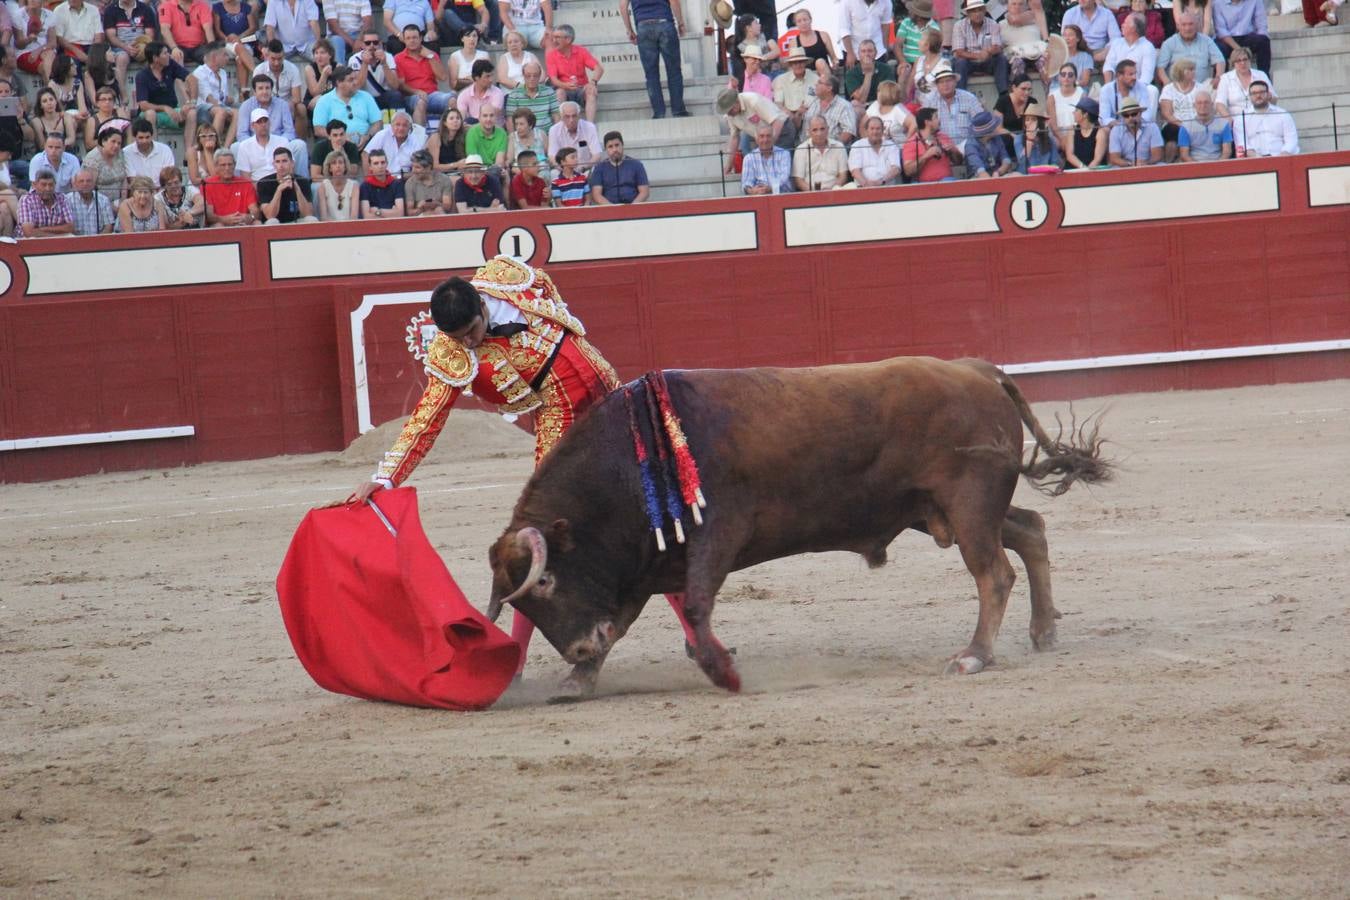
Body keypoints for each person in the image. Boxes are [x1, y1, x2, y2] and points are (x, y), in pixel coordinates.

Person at [344, 258, 702, 685]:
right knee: (541, 536)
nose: (469, 344)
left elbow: (552, 297)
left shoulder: (508, 276)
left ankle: (697, 636)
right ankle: (514, 659)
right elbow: (426, 420)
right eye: (457, 339)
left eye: (472, 333)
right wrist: (385, 477)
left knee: (650, 512)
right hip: (561, 420)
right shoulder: (451, 354)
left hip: (606, 386)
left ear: (481, 305)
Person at [620, 0, 687, 119]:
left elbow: (623, 5)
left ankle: (659, 113)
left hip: (643, 26)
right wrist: (680, 22)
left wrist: (629, 30)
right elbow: (674, 1)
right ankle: (678, 111)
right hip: (664, 23)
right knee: (674, 72)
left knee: (651, 74)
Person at [396, 24, 452, 126]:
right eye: (408, 38)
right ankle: (420, 138)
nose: (412, 41)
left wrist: (430, 57)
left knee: (451, 99)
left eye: (414, 37)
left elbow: (443, 77)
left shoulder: (431, 54)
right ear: (404, 40)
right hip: (412, 96)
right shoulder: (398, 58)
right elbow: (400, 85)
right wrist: (416, 91)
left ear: (420, 38)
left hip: (433, 95)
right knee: (421, 102)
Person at [312, 65, 382, 145]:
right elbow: (318, 129)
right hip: (336, 144)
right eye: (351, 80)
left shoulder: (366, 97)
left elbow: (377, 123)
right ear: (339, 83)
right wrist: (341, 137)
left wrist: (367, 136)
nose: (355, 82)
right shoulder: (324, 101)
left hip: (367, 143)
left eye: (355, 78)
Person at [545, 24, 602, 124]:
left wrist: (592, 83)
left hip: (580, 89)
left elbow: (598, 69)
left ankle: (590, 126)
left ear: (568, 39)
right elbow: (553, 80)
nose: (554, 41)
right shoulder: (552, 55)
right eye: (553, 37)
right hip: (564, 89)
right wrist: (565, 85)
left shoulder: (581, 51)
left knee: (591, 91)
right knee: (559, 93)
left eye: (557, 37)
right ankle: (560, 126)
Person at [135, 41, 192, 140]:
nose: (169, 55)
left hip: (173, 110)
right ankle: (153, 150)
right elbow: (143, 105)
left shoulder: (171, 65)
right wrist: (165, 108)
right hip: (153, 113)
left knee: (192, 112)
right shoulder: (142, 76)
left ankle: (189, 151)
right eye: (165, 53)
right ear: (155, 58)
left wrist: (191, 102)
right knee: (150, 113)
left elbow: (192, 79)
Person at [1156, 11, 1224, 89]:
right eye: (1184, 24)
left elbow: (1220, 60)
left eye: (1191, 24)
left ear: (1197, 25)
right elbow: (1160, 68)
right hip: (1177, 86)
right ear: (1178, 26)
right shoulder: (1169, 43)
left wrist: (1218, 77)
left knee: (1217, 88)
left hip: (1202, 86)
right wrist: (1166, 82)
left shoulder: (1206, 41)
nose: (1187, 28)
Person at [253, 38, 307, 135]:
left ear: (284, 56)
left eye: (280, 59)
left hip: (288, 104)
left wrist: (285, 106)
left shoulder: (293, 69)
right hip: (266, 103)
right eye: (273, 59)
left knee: (301, 108)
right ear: (267, 56)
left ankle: (299, 142)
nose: (276, 63)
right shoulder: (259, 70)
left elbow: (297, 98)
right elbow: (257, 95)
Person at [1231, 79, 1297, 157]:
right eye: (1254, 93)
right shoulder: (1241, 118)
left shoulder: (1283, 114)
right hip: (1254, 161)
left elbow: (1291, 140)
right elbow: (1242, 144)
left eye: (1261, 92)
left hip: (1281, 158)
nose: (1258, 96)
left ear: (1268, 94)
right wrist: (1258, 159)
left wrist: (1281, 157)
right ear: (1249, 97)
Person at [953, 0, 1008, 93]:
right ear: (968, 13)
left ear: (984, 10)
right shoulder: (959, 25)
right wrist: (978, 56)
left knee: (1001, 58)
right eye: (974, 11)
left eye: (980, 10)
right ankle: (960, 94)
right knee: (960, 62)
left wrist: (988, 51)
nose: (977, 14)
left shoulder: (992, 23)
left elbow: (997, 46)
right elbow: (959, 51)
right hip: (968, 62)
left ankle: (1004, 94)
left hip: (988, 60)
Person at [102, 0, 157, 89]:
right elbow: (111, 36)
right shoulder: (110, 10)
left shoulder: (145, 9)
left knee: (153, 57)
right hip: (120, 47)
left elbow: (149, 34)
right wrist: (126, 47)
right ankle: (122, 96)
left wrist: (140, 47)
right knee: (122, 58)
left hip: (141, 45)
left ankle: (153, 94)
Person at [236, 107, 301, 181]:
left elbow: (290, 168)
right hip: (257, 185)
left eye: (265, 121)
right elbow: (245, 176)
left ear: (269, 123)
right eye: (259, 122)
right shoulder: (244, 146)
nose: (263, 125)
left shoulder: (283, 141)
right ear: (252, 126)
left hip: (281, 182)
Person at [256, 145, 316, 223]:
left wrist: (297, 188)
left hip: (296, 221)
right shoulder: (264, 183)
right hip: (275, 224)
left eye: (284, 161)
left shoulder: (303, 181)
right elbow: (270, 215)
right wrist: (279, 190)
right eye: (277, 162)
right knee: (272, 221)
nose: (281, 166)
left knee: (311, 219)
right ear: (274, 165)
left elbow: (308, 213)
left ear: (292, 163)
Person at [189, 42, 234, 145]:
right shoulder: (200, 72)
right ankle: (213, 145)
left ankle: (225, 147)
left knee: (238, 113)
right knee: (221, 112)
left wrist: (228, 100)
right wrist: (226, 109)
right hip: (202, 108)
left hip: (217, 106)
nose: (227, 58)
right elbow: (209, 99)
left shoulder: (222, 73)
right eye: (225, 55)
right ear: (214, 57)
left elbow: (222, 97)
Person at [930, 61, 983, 148]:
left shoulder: (969, 98)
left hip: (969, 146)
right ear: (937, 85)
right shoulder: (930, 102)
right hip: (943, 148)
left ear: (955, 82)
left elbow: (981, 122)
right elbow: (927, 129)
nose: (945, 84)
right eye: (941, 82)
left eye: (948, 80)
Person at [1001, 0, 1053, 86]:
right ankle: (1017, 92)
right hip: (1015, 55)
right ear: (1007, 6)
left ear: (1026, 6)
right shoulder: (1001, 25)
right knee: (1017, 62)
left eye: (1021, 4)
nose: (1017, 7)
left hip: (1036, 53)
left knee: (1045, 62)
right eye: (1014, 4)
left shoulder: (1035, 22)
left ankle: (1050, 95)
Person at [587, 131, 648, 205]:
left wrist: (631, 209)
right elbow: (596, 195)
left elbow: (644, 192)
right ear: (606, 149)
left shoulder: (636, 165)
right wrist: (613, 209)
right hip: (608, 210)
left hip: (633, 208)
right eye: (610, 146)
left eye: (617, 145)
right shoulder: (599, 168)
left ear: (622, 145)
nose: (614, 149)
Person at [1212, 45, 1273, 119]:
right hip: (1236, 120)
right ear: (1233, 63)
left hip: (1260, 117)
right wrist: (1230, 121)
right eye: (1238, 61)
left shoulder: (1261, 75)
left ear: (1249, 60)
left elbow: (1274, 99)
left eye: (1245, 59)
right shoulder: (1226, 78)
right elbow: (1220, 103)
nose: (1242, 63)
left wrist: (1269, 98)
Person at [202, 147, 260, 224]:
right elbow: (209, 215)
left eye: (230, 164)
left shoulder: (245, 183)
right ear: (216, 166)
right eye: (223, 165)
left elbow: (255, 210)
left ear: (234, 165)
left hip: (242, 223)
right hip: (221, 224)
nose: (227, 168)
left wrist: (249, 217)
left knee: (257, 223)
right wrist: (225, 220)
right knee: (218, 225)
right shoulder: (208, 184)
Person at [790, 115, 849, 191]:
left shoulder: (839, 147)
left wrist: (832, 190)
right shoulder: (801, 150)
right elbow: (798, 180)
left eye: (822, 129)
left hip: (835, 192)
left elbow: (843, 176)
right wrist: (815, 193)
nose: (819, 133)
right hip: (810, 194)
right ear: (808, 132)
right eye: (815, 130)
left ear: (828, 129)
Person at [1158, 58, 1201, 162]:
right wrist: (1183, 125)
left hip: (1196, 123)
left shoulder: (1200, 87)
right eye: (1189, 70)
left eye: (1193, 69)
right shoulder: (1168, 89)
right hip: (1175, 124)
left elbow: (1204, 108)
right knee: (1173, 133)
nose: (1193, 72)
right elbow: (1166, 114)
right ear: (1180, 72)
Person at [903, 106, 961, 182]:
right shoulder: (911, 142)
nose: (939, 120)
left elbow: (959, 161)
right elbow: (908, 171)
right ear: (927, 122)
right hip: (922, 185)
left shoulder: (943, 137)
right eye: (936, 117)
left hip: (946, 181)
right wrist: (926, 156)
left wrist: (954, 151)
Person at [350, 30, 404, 110]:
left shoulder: (388, 57)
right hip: (364, 97)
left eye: (375, 42)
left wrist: (384, 63)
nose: (372, 46)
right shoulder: (354, 59)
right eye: (368, 43)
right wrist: (365, 64)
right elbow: (356, 86)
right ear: (362, 45)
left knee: (396, 95)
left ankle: (398, 120)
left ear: (380, 43)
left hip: (383, 96)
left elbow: (395, 86)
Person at [212, 0, 259, 91]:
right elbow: (217, 30)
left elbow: (253, 27)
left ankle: (244, 93)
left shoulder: (245, 7)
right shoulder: (217, 7)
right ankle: (257, 72)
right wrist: (228, 38)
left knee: (240, 59)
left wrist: (239, 37)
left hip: (245, 41)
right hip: (226, 43)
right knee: (238, 46)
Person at [363, 109, 427, 175]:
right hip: (383, 178)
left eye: (404, 125)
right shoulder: (382, 135)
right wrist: (369, 177)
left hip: (405, 178)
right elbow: (365, 154)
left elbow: (420, 163)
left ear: (410, 127)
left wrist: (408, 176)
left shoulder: (414, 140)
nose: (401, 128)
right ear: (391, 125)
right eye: (397, 124)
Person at [1212, 0, 1270, 74]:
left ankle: (1263, 77)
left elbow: (1262, 26)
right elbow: (1221, 31)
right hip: (1226, 39)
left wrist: (1261, 36)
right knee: (1219, 49)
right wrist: (1239, 49)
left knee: (1263, 41)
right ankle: (1221, 81)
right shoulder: (1218, 3)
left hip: (1247, 36)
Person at [773, 46, 817, 141]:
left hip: (809, 112)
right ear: (790, 65)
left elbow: (816, 99)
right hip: (789, 114)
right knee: (785, 122)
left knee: (811, 118)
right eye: (794, 63)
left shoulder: (815, 78)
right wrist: (792, 116)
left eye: (800, 62)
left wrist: (801, 113)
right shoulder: (781, 79)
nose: (798, 65)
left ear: (805, 63)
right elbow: (778, 104)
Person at [844, 40, 897, 119]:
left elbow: (890, 93)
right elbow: (861, 99)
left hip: (882, 104)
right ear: (858, 54)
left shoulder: (886, 69)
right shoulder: (851, 73)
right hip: (862, 107)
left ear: (875, 53)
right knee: (855, 105)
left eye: (870, 51)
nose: (867, 54)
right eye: (863, 51)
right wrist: (868, 74)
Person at [49, 0, 106, 71]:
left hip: (91, 46)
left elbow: (98, 35)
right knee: (74, 66)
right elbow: (59, 37)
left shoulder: (93, 10)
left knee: (101, 64)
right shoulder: (59, 10)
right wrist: (78, 52)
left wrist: (94, 53)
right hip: (69, 46)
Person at [1060, 0, 1120, 66]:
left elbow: (1116, 38)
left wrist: (1105, 52)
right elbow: (1064, 38)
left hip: (1101, 53)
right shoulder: (1070, 14)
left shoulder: (1107, 14)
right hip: (1078, 51)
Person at [1098, 59, 1157, 126]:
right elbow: (1104, 118)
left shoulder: (1141, 86)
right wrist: (1122, 126)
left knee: (1152, 126)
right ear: (1119, 76)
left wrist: (1134, 124)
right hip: (1115, 127)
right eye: (1131, 74)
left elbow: (1146, 114)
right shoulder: (1106, 90)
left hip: (1137, 125)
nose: (1134, 77)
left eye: (1135, 73)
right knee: (1103, 132)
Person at [781, 8, 835, 80]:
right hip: (806, 76)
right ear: (796, 24)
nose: (803, 23)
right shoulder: (793, 42)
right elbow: (792, 64)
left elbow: (833, 58)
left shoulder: (823, 35)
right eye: (799, 21)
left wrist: (835, 64)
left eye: (805, 20)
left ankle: (826, 85)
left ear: (810, 20)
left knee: (820, 62)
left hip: (824, 73)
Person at [1177, 90, 1232, 161]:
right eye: (1199, 103)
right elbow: (1184, 155)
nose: (1203, 106)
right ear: (1194, 106)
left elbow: (1227, 152)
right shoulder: (1186, 127)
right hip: (1195, 166)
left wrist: (1217, 166)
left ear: (1212, 104)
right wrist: (1199, 168)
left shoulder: (1224, 124)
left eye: (1206, 102)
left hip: (1218, 163)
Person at [1107, 94, 1162, 165]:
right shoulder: (1116, 130)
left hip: (1148, 165)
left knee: (1161, 165)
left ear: (1140, 113)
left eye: (1134, 114)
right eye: (1126, 115)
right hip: (1125, 167)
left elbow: (1157, 156)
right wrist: (1130, 164)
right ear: (1122, 117)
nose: (1130, 118)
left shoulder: (1152, 127)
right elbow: (1114, 158)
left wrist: (1145, 163)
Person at [17, 169, 74, 237]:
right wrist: (56, 236)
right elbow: (29, 232)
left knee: (70, 236)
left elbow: (70, 227)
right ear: (34, 185)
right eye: (43, 185)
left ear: (55, 185)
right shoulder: (27, 200)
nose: (48, 189)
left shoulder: (62, 198)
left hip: (57, 241)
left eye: (51, 185)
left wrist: (42, 229)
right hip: (30, 243)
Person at [1103, 13, 1156, 86]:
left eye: (1125, 23)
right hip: (1117, 87)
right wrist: (1109, 87)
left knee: (1152, 90)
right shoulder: (1116, 43)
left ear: (1133, 28)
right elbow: (1108, 66)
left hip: (1138, 88)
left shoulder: (1148, 47)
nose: (1122, 25)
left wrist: (1133, 90)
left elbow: (1146, 77)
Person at [740, 122, 793, 194]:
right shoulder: (749, 158)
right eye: (762, 136)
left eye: (768, 136)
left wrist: (770, 188)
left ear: (773, 138)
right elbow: (746, 183)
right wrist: (752, 191)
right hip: (759, 198)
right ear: (756, 139)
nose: (765, 140)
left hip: (781, 195)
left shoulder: (784, 154)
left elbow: (784, 178)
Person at [847, 115, 900, 186]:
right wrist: (866, 184)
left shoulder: (891, 146)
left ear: (883, 130)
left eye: (878, 129)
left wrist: (882, 181)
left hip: (887, 187)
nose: (875, 132)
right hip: (863, 189)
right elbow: (855, 171)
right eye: (872, 129)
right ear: (866, 130)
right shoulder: (857, 146)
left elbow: (896, 169)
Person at [803, 75, 857, 146]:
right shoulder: (812, 103)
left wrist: (833, 147)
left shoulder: (844, 106)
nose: (816, 85)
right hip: (810, 149)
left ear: (829, 88)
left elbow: (849, 131)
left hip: (834, 150)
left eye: (819, 83)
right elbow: (806, 129)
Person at [546, 100, 601, 170]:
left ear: (579, 115)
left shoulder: (590, 127)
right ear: (561, 117)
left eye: (574, 116)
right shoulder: (554, 130)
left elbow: (597, 155)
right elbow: (552, 156)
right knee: (553, 174)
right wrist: (564, 170)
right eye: (567, 116)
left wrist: (585, 168)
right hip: (563, 170)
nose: (571, 120)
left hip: (586, 169)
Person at [838, 0, 892, 70]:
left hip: (878, 51)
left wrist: (885, 48)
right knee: (853, 79)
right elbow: (844, 29)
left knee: (880, 80)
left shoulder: (886, 2)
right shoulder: (847, 2)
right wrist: (850, 53)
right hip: (853, 51)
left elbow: (885, 24)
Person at [504, 60, 560, 126]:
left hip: (546, 133)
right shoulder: (514, 95)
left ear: (539, 76)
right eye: (528, 75)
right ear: (523, 76)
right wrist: (513, 136)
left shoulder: (549, 92)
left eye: (535, 75)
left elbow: (556, 115)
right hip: (523, 134)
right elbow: (510, 119)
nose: (532, 78)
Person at [15, 0, 58, 84]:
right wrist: (30, 39)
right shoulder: (18, 15)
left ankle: (50, 91)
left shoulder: (50, 15)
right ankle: (51, 90)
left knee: (50, 54)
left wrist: (37, 51)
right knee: (45, 67)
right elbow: (19, 45)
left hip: (44, 50)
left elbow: (53, 43)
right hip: (25, 52)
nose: (32, 0)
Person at [123, 117, 176, 184]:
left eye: (147, 137)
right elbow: (132, 180)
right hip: (140, 192)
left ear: (152, 136)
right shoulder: (126, 152)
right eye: (141, 138)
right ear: (134, 137)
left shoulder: (165, 150)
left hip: (162, 191)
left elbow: (169, 176)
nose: (144, 141)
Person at [83, 125, 128, 199]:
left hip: (119, 201)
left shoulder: (120, 153)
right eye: (113, 142)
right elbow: (90, 188)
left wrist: (123, 201)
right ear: (103, 142)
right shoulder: (93, 158)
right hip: (99, 203)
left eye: (119, 143)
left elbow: (124, 179)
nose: (116, 145)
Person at [65, 166, 114, 234]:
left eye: (89, 181)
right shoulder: (67, 200)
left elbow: (109, 226)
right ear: (75, 184)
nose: (85, 184)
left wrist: (98, 241)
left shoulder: (104, 200)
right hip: (75, 241)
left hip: (99, 241)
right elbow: (67, 227)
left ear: (94, 184)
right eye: (81, 181)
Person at [403, 147, 453, 214]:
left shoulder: (444, 180)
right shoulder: (410, 183)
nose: (413, 171)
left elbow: (448, 207)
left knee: (438, 210)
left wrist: (436, 204)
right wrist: (421, 208)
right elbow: (410, 212)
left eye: (417, 167)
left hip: (440, 217)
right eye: (412, 167)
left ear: (428, 167)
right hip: (420, 219)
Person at [963, 109, 1011, 178]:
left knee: (1017, 175)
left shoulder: (997, 138)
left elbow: (1006, 159)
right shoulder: (970, 145)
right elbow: (980, 171)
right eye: (995, 126)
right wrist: (993, 182)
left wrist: (998, 172)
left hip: (997, 173)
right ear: (988, 131)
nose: (998, 127)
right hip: (978, 178)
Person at [1062, 95, 1107, 168]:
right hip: (1074, 170)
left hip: (1093, 172)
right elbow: (1069, 155)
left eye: (1076, 110)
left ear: (1085, 115)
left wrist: (1087, 173)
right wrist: (1083, 168)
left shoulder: (1100, 133)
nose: (1073, 112)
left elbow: (1097, 159)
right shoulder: (1072, 130)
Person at [457, 58, 506, 124]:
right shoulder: (464, 95)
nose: (491, 80)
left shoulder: (497, 93)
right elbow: (462, 117)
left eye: (492, 76)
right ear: (477, 77)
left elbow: (490, 117)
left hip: (493, 130)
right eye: (487, 76)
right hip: (472, 129)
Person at [866, 80, 915, 145]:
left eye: (879, 91)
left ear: (885, 93)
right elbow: (862, 125)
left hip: (897, 148)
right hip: (877, 147)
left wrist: (906, 143)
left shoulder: (898, 109)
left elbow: (914, 124)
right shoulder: (875, 105)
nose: (877, 93)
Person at [1013, 99, 1058, 170]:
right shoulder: (1018, 138)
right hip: (1025, 177)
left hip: (1045, 176)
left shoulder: (1050, 140)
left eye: (1033, 119)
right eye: (1027, 119)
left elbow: (1055, 163)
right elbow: (1022, 163)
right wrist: (1029, 141)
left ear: (1041, 123)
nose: (1029, 123)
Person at [359, 147, 405, 216]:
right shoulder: (365, 186)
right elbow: (366, 216)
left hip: (394, 224)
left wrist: (378, 212)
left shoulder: (397, 184)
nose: (380, 166)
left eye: (382, 163)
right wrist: (392, 212)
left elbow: (400, 213)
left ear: (387, 164)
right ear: (370, 167)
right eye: (376, 163)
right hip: (372, 225)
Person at [1046, 62, 1084, 144]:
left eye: (1070, 75)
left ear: (1075, 78)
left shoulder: (1082, 94)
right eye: (1063, 74)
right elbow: (1053, 125)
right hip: (1058, 134)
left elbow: (1082, 121)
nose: (1066, 77)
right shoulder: (1052, 97)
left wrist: (1070, 139)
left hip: (1076, 132)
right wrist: (1062, 139)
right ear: (1059, 77)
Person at [325, 0, 372, 65]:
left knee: (372, 41)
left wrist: (359, 39)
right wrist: (353, 44)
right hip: (337, 35)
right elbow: (333, 26)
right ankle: (340, 72)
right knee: (337, 41)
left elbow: (368, 22)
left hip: (359, 34)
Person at [317, 149, 359, 219]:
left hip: (349, 227)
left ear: (345, 166)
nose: (338, 166)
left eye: (340, 162)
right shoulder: (323, 187)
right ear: (329, 168)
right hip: (329, 227)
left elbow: (354, 217)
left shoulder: (354, 186)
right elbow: (323, 217)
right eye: (334, 163)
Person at [427, 108, 469, 176]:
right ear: (445, 123)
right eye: (451, 118)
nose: (455, 120)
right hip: (439, 175)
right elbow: (434, 167)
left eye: (458, 118)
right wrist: (457, 164)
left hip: (458, 172)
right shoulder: (436, 137)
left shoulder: (463, 136)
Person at [448, 27, 489, 91]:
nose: (472, 39)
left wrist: (464, 80)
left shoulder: (484, 55)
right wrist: (475, 79)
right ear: (462, 39)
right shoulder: (455, 56)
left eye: (474, 36)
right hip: (461, 93)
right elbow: (453, 84)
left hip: (480, 92)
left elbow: (487, 79)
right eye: (468, 36)